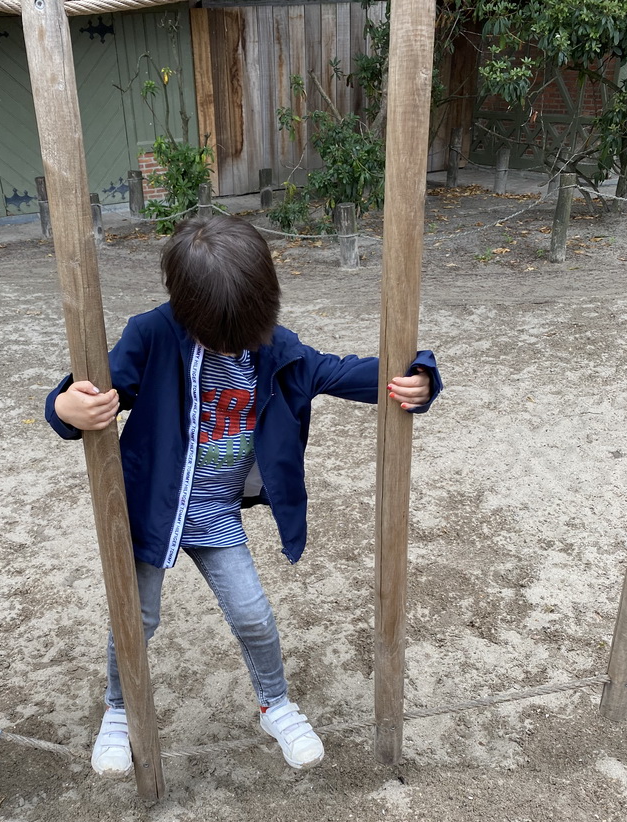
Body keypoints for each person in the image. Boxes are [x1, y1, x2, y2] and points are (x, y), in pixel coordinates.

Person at [45, 215, 441, 776]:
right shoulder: (153, 336)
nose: (233, 345)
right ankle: (118, 710)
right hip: (151, 512)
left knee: (253, 614)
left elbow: (341, 372)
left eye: (245, 331)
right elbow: (88, 389)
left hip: (214, 510)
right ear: (185, 308)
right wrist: (66, 407)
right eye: (218, 333)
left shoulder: (274, 349)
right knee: (136, 618)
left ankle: (275, 704)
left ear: (265, 307)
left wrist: (416, 375)